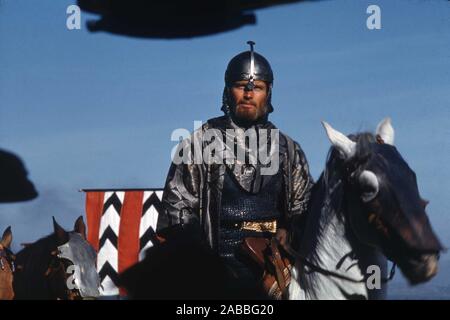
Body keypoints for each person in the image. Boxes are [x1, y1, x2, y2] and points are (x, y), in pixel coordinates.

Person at [158, 41, 314, 299]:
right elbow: (177, 217)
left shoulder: (289, 150)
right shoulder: (198, 145)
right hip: (213, 277)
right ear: (228, 90)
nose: (249, 94)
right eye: (242, 86)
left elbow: (304, 212)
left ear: (269, 93)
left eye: (258, 88)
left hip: (275, 274)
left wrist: (288, 240)